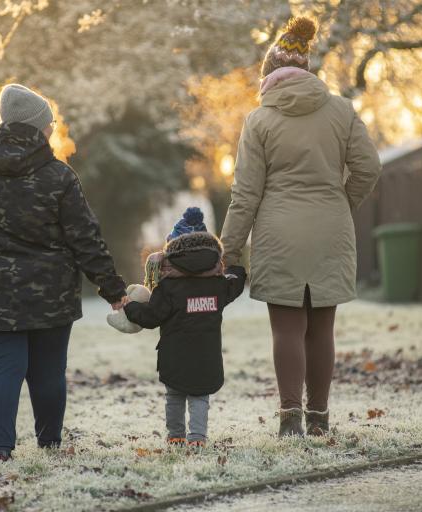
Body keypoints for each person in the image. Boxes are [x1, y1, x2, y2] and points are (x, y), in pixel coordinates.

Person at [0, 84, 127, 460]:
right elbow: (86, 239)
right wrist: (112, 289)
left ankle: (0, 450)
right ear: (36, 128)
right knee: (48, 372)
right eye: (47, 124)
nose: (51, 130)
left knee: (1, 370)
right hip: (51, 296)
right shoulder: (58, 177)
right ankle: (49, 443)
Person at [220, 16, 382, 437]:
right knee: (322, 327)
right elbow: (368, 167)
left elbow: (245, 194)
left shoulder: (260, 121)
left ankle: (290, 417)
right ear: (307, 69)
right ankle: (320, 417)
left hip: (278, 233)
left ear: (269, 73)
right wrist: (342, 202)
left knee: (287, 328)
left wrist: (229, 251)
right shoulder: (342, 110)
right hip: (331, 228)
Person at [124, 208, 246, 447]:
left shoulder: (168, 287)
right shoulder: (219, 285)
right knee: (200, 396)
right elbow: (236, 283)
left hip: (174, 356)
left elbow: (151, 317)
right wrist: (235, 270)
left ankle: (176, 436)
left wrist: (130, 308)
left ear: (171, 252)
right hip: (207, 357)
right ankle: (198, 438)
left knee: (175, 395)